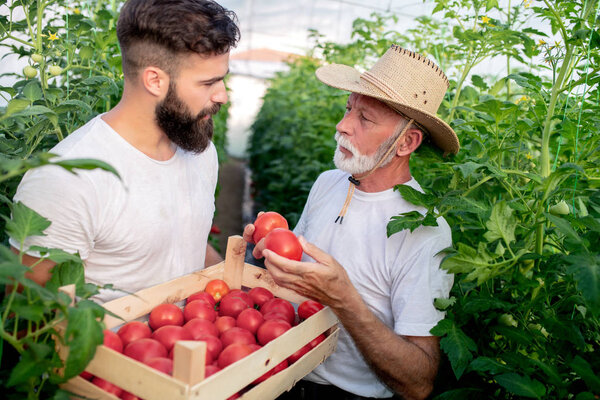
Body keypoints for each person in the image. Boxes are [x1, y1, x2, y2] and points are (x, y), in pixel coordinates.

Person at [244, 45, 459, 400]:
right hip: (284, 368)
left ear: (406, 142)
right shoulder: (329, 181)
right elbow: (294, 274)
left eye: (365, 118)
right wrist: (267, 253)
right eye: (348, 109)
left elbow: (418, 382)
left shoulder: (424, 231)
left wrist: (344, 299)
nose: (342, 126)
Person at [9, 0, 240, 303]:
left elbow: (187, 245)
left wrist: (243, 289)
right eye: (208, 82)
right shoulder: (67, 178)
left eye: (221, 78)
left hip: (193, 342)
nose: (222, 94)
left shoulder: (199, 151)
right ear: (154, 80)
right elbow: (33, 315)